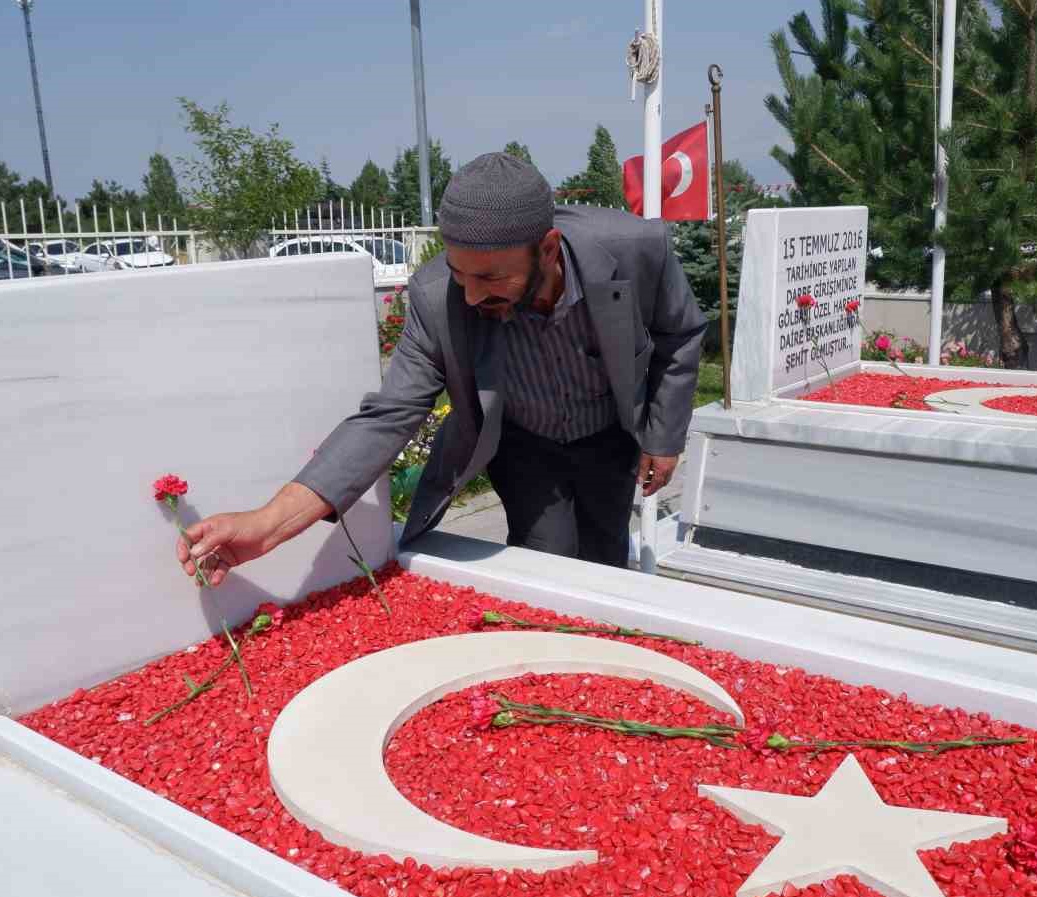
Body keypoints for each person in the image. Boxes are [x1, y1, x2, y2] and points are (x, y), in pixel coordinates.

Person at [178, 152, 705, 583]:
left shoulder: (638, 249)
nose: (471, 296)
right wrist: (267, 526)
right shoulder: (437, 298)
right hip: (524, 444)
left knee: (606, 555)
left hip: (607, 433)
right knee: (545, 563)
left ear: (546, 250)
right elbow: (388, 416)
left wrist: (663, 437)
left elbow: (679, 333)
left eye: (492, 278)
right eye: (460, 274)